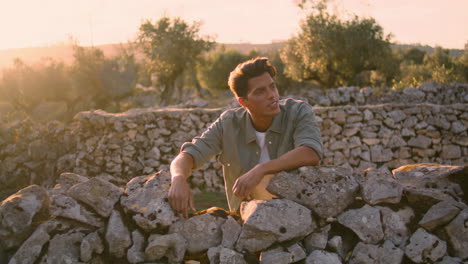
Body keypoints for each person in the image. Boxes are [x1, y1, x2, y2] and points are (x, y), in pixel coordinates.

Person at [168, 57, 322, 217]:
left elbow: (311, 152)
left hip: (297, 219)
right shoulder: (228, 123)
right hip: (245, 224)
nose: (272, 95)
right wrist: (178, 178)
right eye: (260, 91)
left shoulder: (298, 112)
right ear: (243, 102)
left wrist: (261, 170)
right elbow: (188, 155)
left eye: (272, 86)